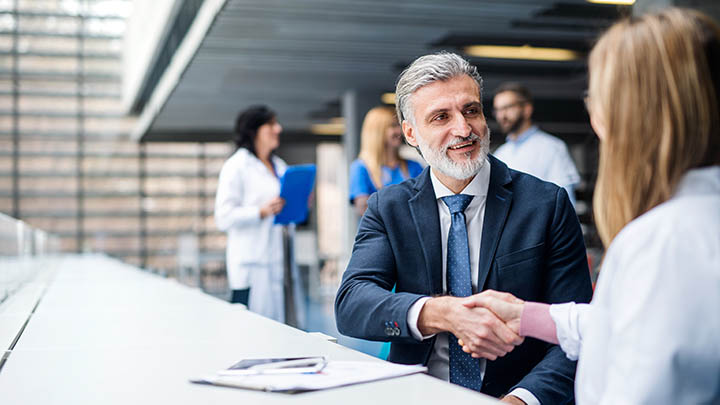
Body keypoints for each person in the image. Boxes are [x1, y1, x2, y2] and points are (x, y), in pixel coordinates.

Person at [464, 8, 720, 404]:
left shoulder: (661, 243)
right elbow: (630, 327)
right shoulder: (691, 222)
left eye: (597, 96)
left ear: (630, 114)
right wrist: (528, 316)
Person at [335, 52, 593, 405]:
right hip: (418, 393)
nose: (463, 129)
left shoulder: (545, 205)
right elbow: (352, 304)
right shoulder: (388, 208)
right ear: (411, 133)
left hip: (515, 393)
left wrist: (522, 399)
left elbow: (576, 331)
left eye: (471, 110)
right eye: (441, 117)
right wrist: (441, 313)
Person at [215, 105, 291, 323]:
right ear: (254, 131)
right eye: (271, 125)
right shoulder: (236, 166)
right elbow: (223, 216)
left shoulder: (279, 165)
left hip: (278, 260)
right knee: (252, 328)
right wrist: (260, 211)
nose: (278, 129)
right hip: (251, 263)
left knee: (279, 328)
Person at [492, 82, 580, 205]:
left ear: (527, 109)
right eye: (498, 110)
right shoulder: (500, 154)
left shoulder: (553, 148)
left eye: (508, 107)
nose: (502, 115)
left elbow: (565, 201)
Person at [349, 105, 424, 216]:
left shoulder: (414, 166)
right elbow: (364, 210)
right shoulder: (360, 168)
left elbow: (425, 202)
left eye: (399, 125)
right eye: (393, 126)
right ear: (378, 131)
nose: (399, 131)